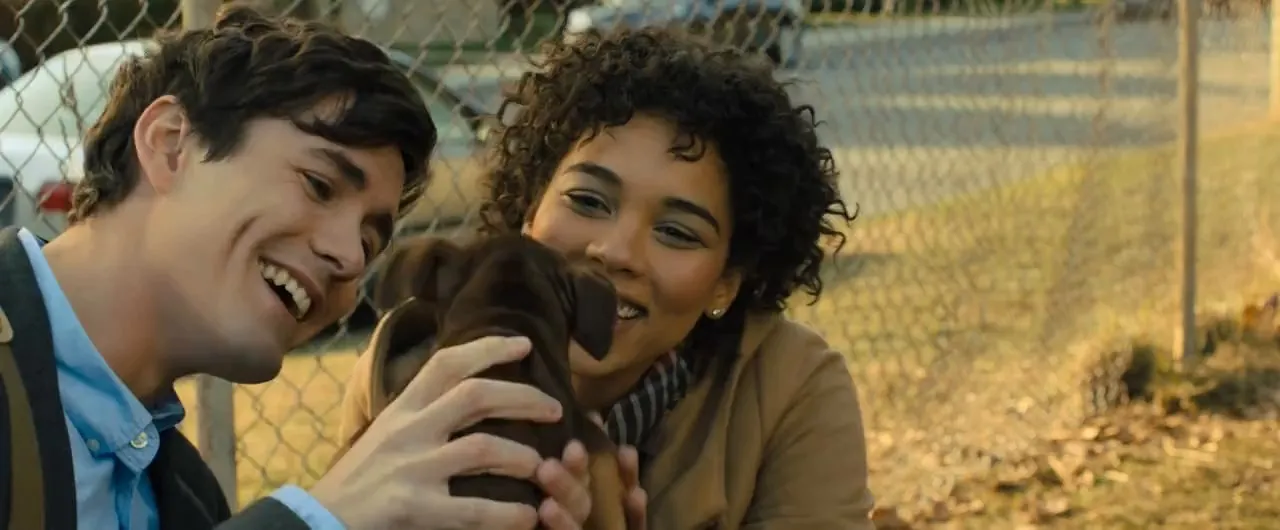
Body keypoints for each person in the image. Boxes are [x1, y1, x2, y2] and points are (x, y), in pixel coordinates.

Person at [0, 5, 629, 529]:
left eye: (371, 240)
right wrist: (316, 519)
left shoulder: (183, 497)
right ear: (171, 145)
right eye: (319, 184)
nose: (350, 258)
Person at [341, 27, 877, 528]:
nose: (615, 251)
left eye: (677, 232)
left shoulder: (786, 389)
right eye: (588, 200)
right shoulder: (407, 370)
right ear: (530, 211)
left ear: (726, 284)